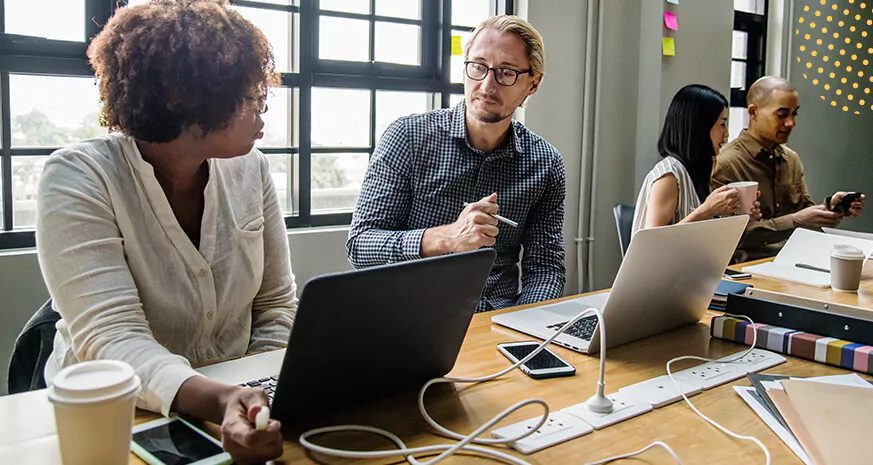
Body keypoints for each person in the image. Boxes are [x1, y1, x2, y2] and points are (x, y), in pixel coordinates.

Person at [36, 1, 292, 461]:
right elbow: (111, 338)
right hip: (110, 420)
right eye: (251, 96)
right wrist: (220, 399)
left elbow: (275, 304)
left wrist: (259, 392)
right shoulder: (78, 177)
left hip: (237, 408)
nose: (263, 111)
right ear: (193, 102)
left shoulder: (252, 170)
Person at [346, 15, 566, 313]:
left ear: (533, 84)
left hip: (496, 321)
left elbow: (546, 267)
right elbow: (360, 245)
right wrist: (447, 237)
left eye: (506, 72)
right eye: (478, 67)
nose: (487, 84)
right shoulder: (408, 138)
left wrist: (522, 327)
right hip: (409, 318)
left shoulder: (546, 164)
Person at [712, 76, 865, 262]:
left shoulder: (790, 159)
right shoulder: (725, 163)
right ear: (753, 113)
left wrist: (830, 207)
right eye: (782, 114)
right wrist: (795, 221)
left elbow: (803, 210)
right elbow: (728, 236)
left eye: (794, 114)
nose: (791, 123)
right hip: (749, 268)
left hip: (796, 260)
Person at [632, 84, 761, 236]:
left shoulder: (700, 168)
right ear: (699, 127)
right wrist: (707, 210)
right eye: (722, 124)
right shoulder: (669, 176)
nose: (726, 134)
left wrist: (741, 219)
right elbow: (651, 243)